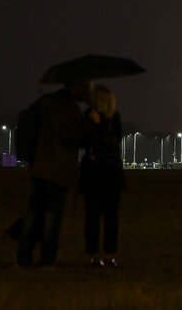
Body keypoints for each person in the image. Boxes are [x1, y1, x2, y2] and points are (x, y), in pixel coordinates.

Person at [17, 80, 96, 268]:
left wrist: (28, 158)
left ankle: (24, 257)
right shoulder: (70, 109)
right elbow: (74, 137)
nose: (87, 90)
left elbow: (27, 126)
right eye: (84, 87)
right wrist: (91, 119)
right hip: (58, 169)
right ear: (73, 85)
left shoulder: (43, 102)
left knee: (33, 213)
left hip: (38, 166)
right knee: (53, 215)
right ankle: (47, 258)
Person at [79, 86, 125, 267]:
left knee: (106, 217)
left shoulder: (113, 118)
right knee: (96, 217)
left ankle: (104, 253)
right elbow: (82, 141)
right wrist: (90, 124)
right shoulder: (89, 116)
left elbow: (112, 142)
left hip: (102, 172)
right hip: (101, 173)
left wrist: (96, 127)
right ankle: (100, 254)